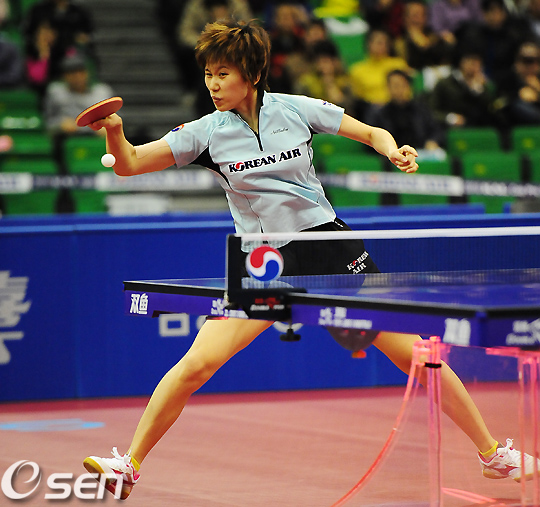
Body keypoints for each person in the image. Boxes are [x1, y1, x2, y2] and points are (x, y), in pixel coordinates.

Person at [81, 19, 540, 500]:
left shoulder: (295, 109)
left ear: (251, 74)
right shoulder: (205, 133)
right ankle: (128, 465)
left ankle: (492, 455)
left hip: (330, 249)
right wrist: (115, 132)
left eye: (223, 74)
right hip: (264, 263)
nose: (212, 84)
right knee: (198, 363)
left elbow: (370, 132)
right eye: (208, 74)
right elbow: (130, 163)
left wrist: (392, 151)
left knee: (418, 357)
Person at [369, 69, 443, 150]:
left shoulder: (421, 110)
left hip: (420, 152)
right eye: (396, 86)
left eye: (403, 85)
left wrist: (433, 141)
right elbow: (372, 139)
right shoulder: (380, 114)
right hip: (391, 154)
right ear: (388, 88)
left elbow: (436, 130)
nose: (400, 90)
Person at [429, 50, 502, 128]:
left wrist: (479, 91)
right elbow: (432, 111)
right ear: (462, 63)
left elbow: (492, 110)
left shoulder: (484, 86)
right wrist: (450, 118)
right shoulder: (445, 84)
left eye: (478, 64)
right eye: (472, 63)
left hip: (478, 128)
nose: (475, 68)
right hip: (451, 129)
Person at [496, 41, 540, 126]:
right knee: (518, 105)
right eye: (526, 61)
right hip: (513, 124)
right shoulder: (507, 79)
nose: (530, 66)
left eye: (535, 60)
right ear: (517, 62)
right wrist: (518, 95)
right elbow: (499, 103)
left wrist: (538, 92)